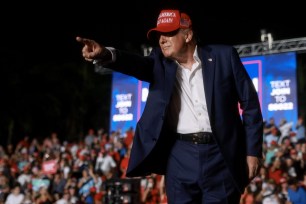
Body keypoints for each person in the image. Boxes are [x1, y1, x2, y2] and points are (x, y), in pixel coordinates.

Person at [76, 8, 264, 204]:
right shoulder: (160, 62)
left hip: (221, 156)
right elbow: (137, 64)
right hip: (179, 155)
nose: (161, 39)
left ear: (188, 35)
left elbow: (250, 105)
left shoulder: (224, 56)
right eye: (159, 35)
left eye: (168, 33)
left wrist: (252, 152)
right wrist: (105, 53)